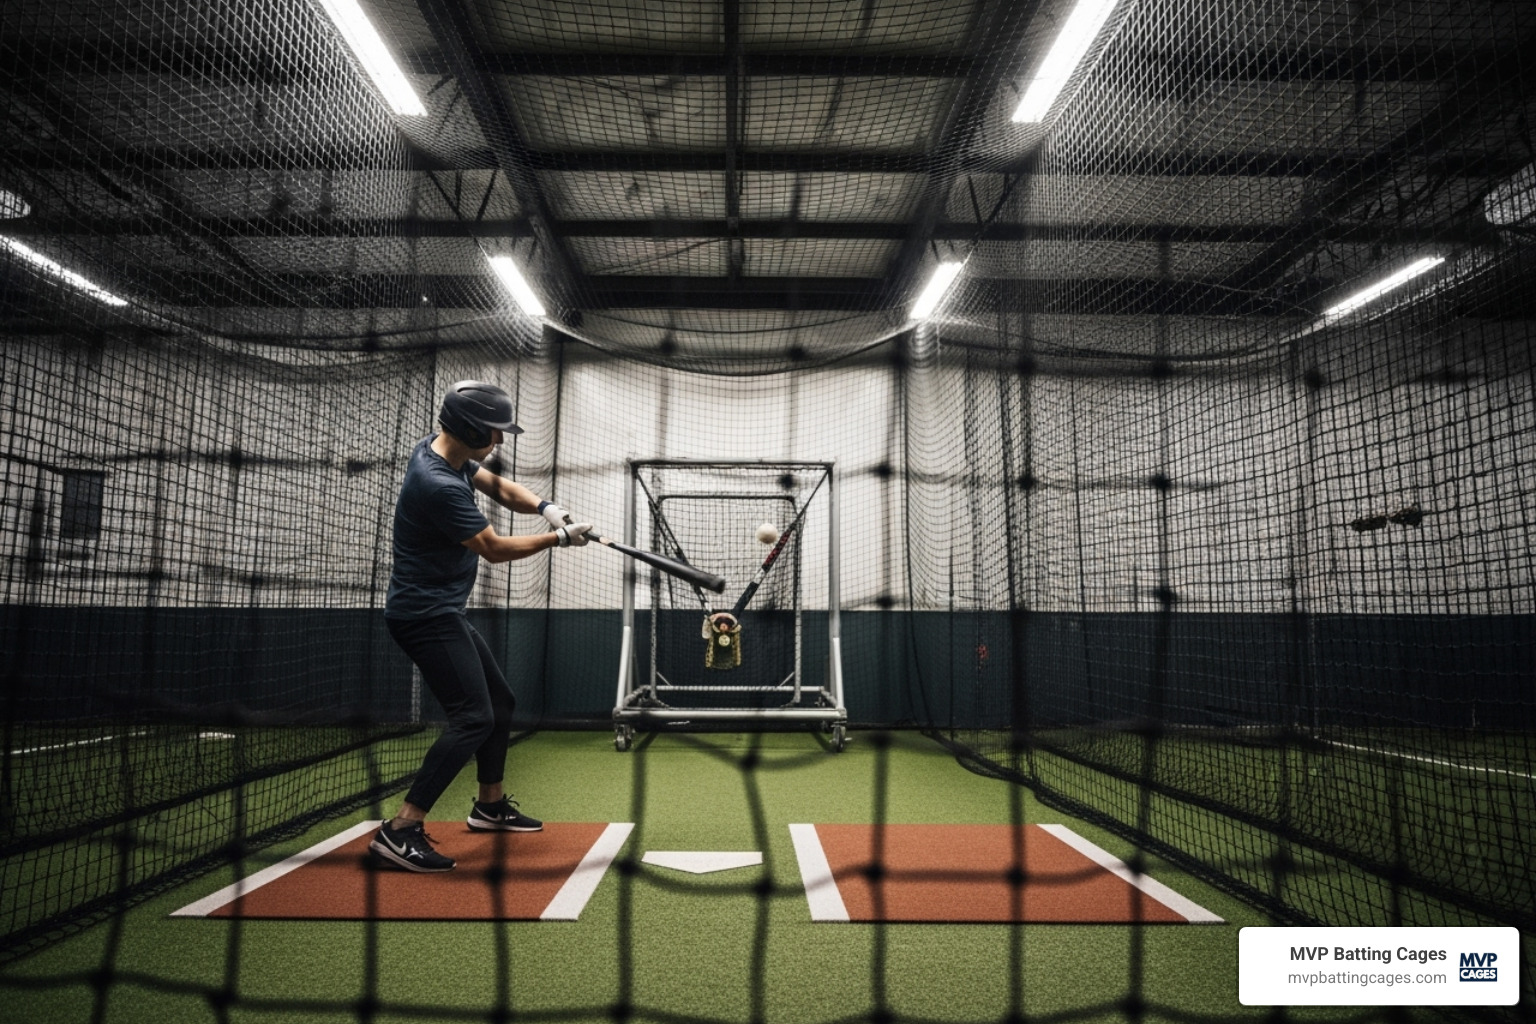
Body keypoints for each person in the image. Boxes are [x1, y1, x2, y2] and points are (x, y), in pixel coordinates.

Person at [370, 380, 591, 873]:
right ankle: (400, 829)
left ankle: (489, 808)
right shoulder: (437, 483)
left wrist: (545, 507)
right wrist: (558, 538)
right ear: (469, 427)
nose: (500, 440)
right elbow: (493, 548)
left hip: (441, 608)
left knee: (500, 703)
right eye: (494, 431)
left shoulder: (441, 451)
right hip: (423, 615)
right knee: (473, 717)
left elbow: (496, 483)